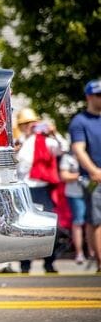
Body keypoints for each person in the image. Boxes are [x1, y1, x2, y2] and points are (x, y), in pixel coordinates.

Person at [15, 107, 68, 273]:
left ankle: (49, 262)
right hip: (24, 188)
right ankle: (25, 264)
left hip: (42, 188)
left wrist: (54, 133)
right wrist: (22, 141)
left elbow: (63, 148)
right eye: (25, 124)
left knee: (51, 227)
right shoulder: (19, 141)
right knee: (23, 228)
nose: (29, 126)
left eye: (31, 123)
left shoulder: (45, 140)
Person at [68, 79, 101, 273]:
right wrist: (94, 171)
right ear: (89, 96)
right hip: (94, 178)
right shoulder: (80, 121)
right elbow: (78, 149)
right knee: (97, 220)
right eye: (99, 95)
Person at [59, 152, 87, 264]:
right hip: (75, 193)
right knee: (78, 222)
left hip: (92, 192)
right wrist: (81, 175)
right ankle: (79, 253)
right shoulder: (68, 156)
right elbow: (64, 176)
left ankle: (93, 252)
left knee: (94, 223)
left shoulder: (93, 152)